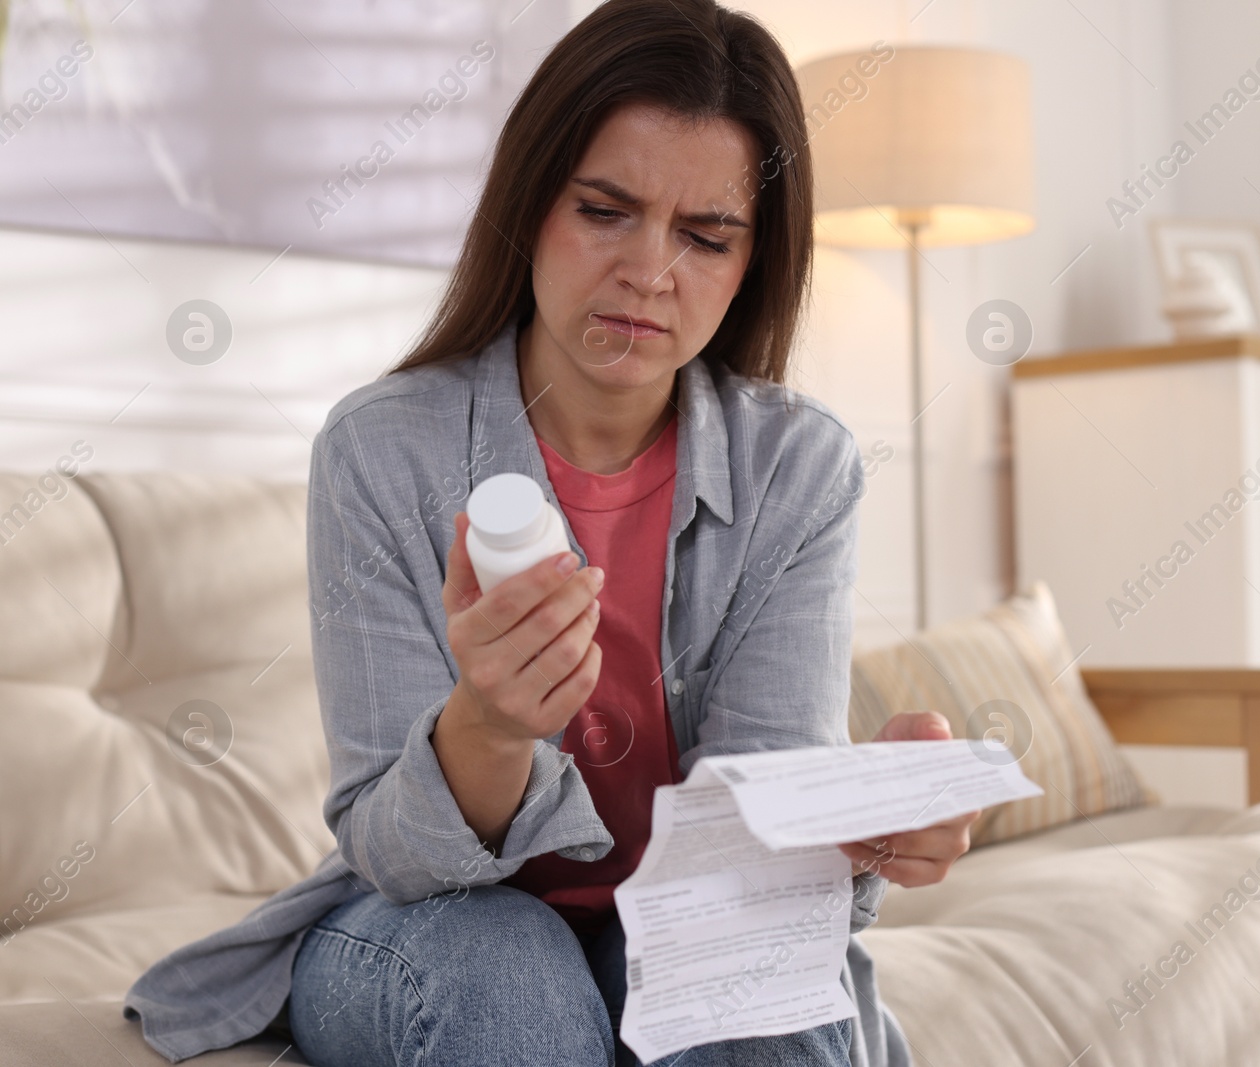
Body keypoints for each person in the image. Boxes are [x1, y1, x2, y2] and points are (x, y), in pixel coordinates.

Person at [124, 1, 979, 1063]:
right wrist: (484, 725)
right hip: (432, 918)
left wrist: (853, 826)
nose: (650, 271)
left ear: (751, 261)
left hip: (677, 916)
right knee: (510, 969)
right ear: (530, 207)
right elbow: (393, 851)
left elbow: (752, 819)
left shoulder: (799, 469)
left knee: (771, 1013)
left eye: (707, 236)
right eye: (605, 211)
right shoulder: (381, 450)